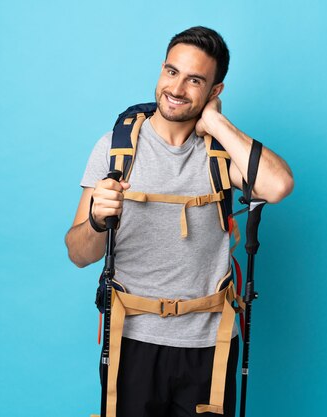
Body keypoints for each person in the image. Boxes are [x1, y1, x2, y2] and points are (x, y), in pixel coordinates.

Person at [65, 26, 294, 417]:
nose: (177, 88)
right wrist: (97, 221)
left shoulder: (221, 153)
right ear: (161, 70)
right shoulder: (115, 148)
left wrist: (218, 126)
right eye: (171, 72)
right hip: (130, 339)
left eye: (195, 80)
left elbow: (279, 185)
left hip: (210, 342)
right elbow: (79, 254)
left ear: (214, 92)